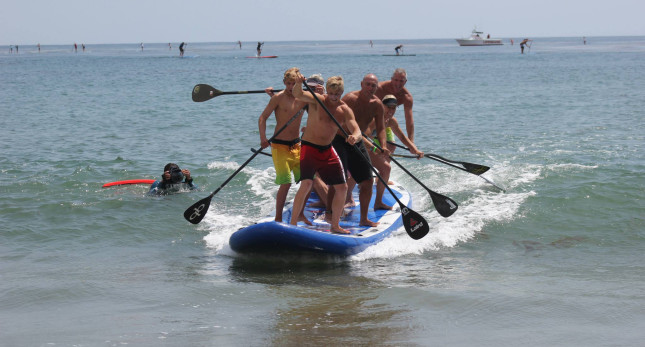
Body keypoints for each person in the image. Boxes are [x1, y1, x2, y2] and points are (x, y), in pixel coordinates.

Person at [290, 73, 362, 234]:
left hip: (327, 150)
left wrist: (354, 137)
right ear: (327, 91)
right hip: (309, 148)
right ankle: (293, 223)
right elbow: (298, 94)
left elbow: (356, 129)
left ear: (341, 93)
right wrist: (298, 83)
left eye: (337, 94)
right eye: (331, 93)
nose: (334, 97)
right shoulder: (318, 100)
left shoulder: (344, 110)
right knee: (307, 183)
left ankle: (335, 225)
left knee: (342, 188)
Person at [330, 73, 390, 227]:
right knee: (338, 179)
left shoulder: (377, 105)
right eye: (368, 84)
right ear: (361, 84)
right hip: (339, 140)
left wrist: (382, 145)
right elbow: (337, 120)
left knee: (368, 180)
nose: (370, 88)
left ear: (377, 88)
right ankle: (329, 214)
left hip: (357, 141)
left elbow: (381, 128)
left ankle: (364, 218)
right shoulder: (350, 98)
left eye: (373, 85)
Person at [258, 67, 309, 223]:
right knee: (286, 183)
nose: (291, 87)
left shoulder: (304, 98)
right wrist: (263, 138)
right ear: (284, 83)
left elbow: (320, 112)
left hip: (297, 145)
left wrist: (321, 91)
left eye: (294, 83)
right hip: (279, 146)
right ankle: (278, 217)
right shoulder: (278, 98)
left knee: (308, 181)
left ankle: (300, 213)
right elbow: (262, 118)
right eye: (288, 83)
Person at [364, 94, 424, 210]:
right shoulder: (374, 119)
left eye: (394, 108)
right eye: (388, 107)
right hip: (359, 146)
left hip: (370, 146)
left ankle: (378, 202)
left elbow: (402, 137)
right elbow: (364, 137)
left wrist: (415, 150)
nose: (391, 111)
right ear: (382, 106)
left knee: (386, 168)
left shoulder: (391, 121)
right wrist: (376, 149)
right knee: (360, 178)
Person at [375, 68, 415, 142]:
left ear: (405, 82)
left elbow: (409, 121)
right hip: (371, 122)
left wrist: (411, 141)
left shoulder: (406, 97)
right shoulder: (379, 89)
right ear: (391, 79)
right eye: (396, 80)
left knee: (391, 146)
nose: (398, 84)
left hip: (387, 122)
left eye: (401, 81)